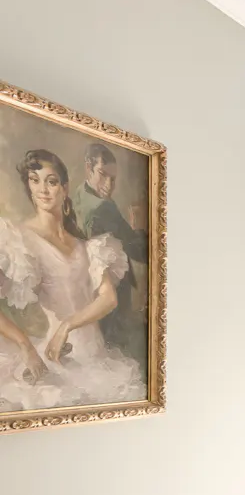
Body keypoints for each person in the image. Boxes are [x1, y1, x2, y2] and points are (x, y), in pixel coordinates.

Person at [0, 149, 145, 413]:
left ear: (65, 188)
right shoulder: (19, 241)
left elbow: (108, 298)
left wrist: (67, 325)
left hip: (97, 358)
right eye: (35, 180)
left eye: (51, 181)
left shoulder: (88, 246)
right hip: (58, 358)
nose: (43, 189)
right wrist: (24, 344)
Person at [71, 142, 147, 361]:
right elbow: (139, 251)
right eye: (103, 175)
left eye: (113, 179)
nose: (108, 185)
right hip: (109, 293)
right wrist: (139, 228)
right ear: (88, 167)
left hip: (87, 293)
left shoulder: (79, 193)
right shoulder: (103, 207)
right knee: (117, 353)